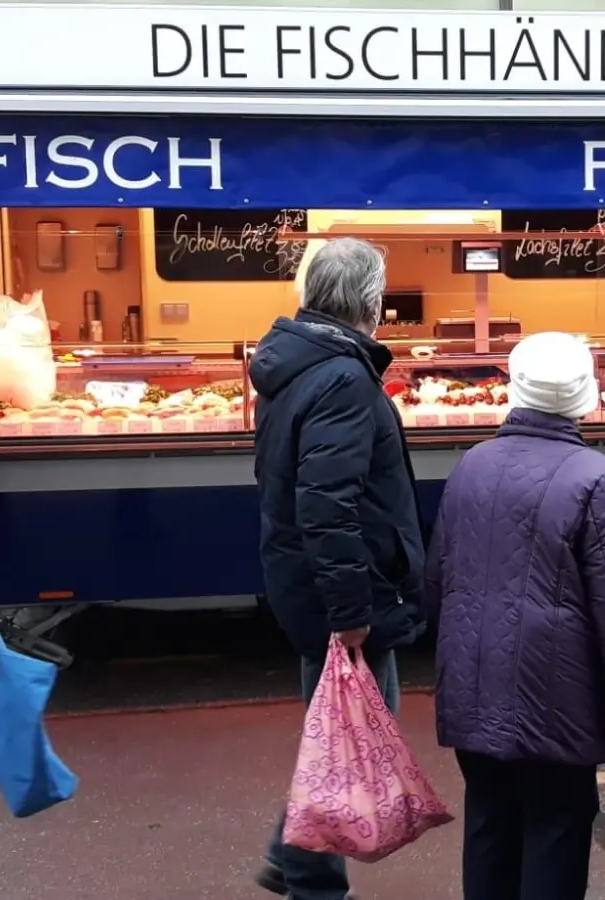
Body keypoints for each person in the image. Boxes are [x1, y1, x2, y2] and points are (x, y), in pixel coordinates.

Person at [426, 331, 605, 900]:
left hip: (473, 689)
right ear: (582, 395)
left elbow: (437, 582)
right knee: (555, 828)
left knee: (488, 825)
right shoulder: (594, 475)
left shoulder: (470, 465)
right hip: (557, 698)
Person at [250, 237, 428, 900]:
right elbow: (327, 503)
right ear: (369, 302)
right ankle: (307, 874)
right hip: (341, 589)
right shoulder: (343, 378)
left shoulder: (296, 365)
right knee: (351, 735)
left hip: (310, 579)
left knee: (339, 732)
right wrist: (351, 611)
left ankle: (292, 858)